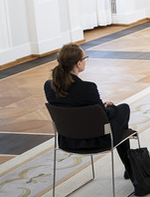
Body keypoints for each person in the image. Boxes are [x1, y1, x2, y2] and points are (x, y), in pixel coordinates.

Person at [44, 43, 134, 178]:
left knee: (117, 112)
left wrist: (98, 109)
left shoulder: (49, 86)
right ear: (78, 64)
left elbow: (73, 107)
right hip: (96, 140)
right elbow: (104, 117)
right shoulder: (88, 88)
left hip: (67, 140)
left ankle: (130, 169)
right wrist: (109, 108)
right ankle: (130, 168)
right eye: (85, 58)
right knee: (123, 109)